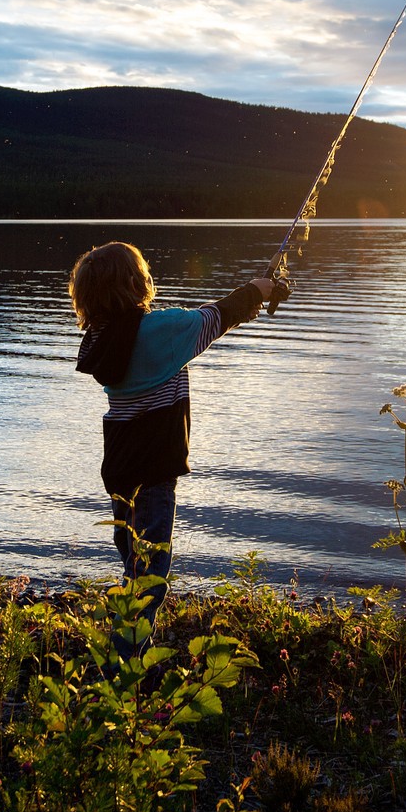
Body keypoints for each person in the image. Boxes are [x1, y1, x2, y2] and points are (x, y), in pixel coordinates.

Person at [69, 241, 285, 643]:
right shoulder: (160, 330)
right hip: (154, 473)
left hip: (119, 468)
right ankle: (125, 660)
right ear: (138, 282)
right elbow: (214, 318)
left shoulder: (99, 339)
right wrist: (256, 291)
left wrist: (249, 298)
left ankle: (129, 648)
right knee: (149, 575)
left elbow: (207, 319)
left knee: (134, 563)